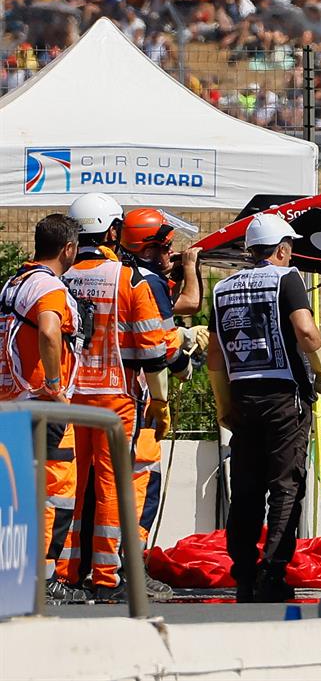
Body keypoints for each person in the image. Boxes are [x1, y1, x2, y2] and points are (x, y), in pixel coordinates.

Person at [55, 194, 187, 601]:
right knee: (116, 485)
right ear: (113, 231)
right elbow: (154, 351)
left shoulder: (61, 277)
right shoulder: (129, 280)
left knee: (76, 487)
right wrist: (180, 352)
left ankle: (67, 570)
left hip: (70, 395)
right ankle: (108, 577)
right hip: (118, 398)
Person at [208, 212, 321, 602]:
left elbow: (215, 355)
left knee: (246, 488)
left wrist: (223, 403)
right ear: (282, 249)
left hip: (243, 398)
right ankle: (273, 572)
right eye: (290, 247)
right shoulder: (287, 278)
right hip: (284, 398)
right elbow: (306, 330)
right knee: (285, 487)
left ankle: (244, 574)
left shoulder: (223, 287)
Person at [0, 213, 82, 599]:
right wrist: (55, 385)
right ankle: (44, 580)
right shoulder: (47, 287)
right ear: (68, 248)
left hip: (12, 401)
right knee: (56, 490)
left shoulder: (14, 282)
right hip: (41, 403)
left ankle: (15, 575)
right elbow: (50, 331)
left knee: (14, 493)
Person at [119, 207, 204, 558]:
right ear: (149, 248)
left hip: (98, 394)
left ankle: (94, 571)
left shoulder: (119, 274)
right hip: (133, 396)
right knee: (143, 482)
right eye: (166, 248)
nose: (170, 254)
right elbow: (160, 346)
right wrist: (182, 367)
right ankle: (130, 567)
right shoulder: (147, 282)